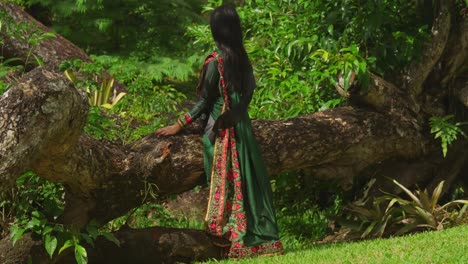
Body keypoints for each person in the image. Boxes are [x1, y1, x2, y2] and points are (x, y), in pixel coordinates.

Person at [156, 4, 283, 258]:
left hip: (221, 129)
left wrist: (178, 125)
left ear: (217, 31)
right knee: (249, 177)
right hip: (242, 126)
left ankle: (227, 232)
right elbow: (249, 90)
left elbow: (204, 102)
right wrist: (237, 113)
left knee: (220, 167)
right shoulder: (242, 59)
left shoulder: (215, 62)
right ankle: (260, 236)